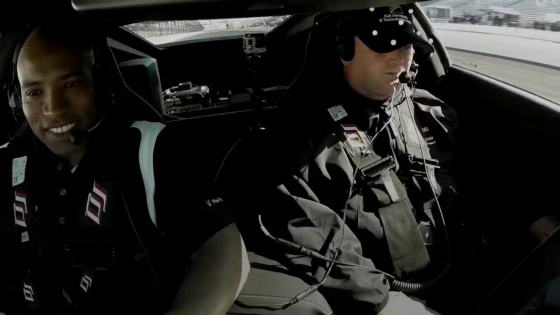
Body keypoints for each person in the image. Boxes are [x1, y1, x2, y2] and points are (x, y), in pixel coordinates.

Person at [220, 5, 460, 315]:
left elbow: (483, 178)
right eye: (383, 47)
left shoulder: (432, 113)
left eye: (406, 45)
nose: (399, 58)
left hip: (460, 268)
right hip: (391, 296)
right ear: (345, 50)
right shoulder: (299, 140)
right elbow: (313, 233)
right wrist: (383, 301)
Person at [0, 23, 249, 315]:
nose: (53, 108)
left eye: (71, 84)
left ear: (100, 83)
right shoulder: (8, 164)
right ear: (17, 99)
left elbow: (220, 247)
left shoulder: (150, 149)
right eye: (34, 92)